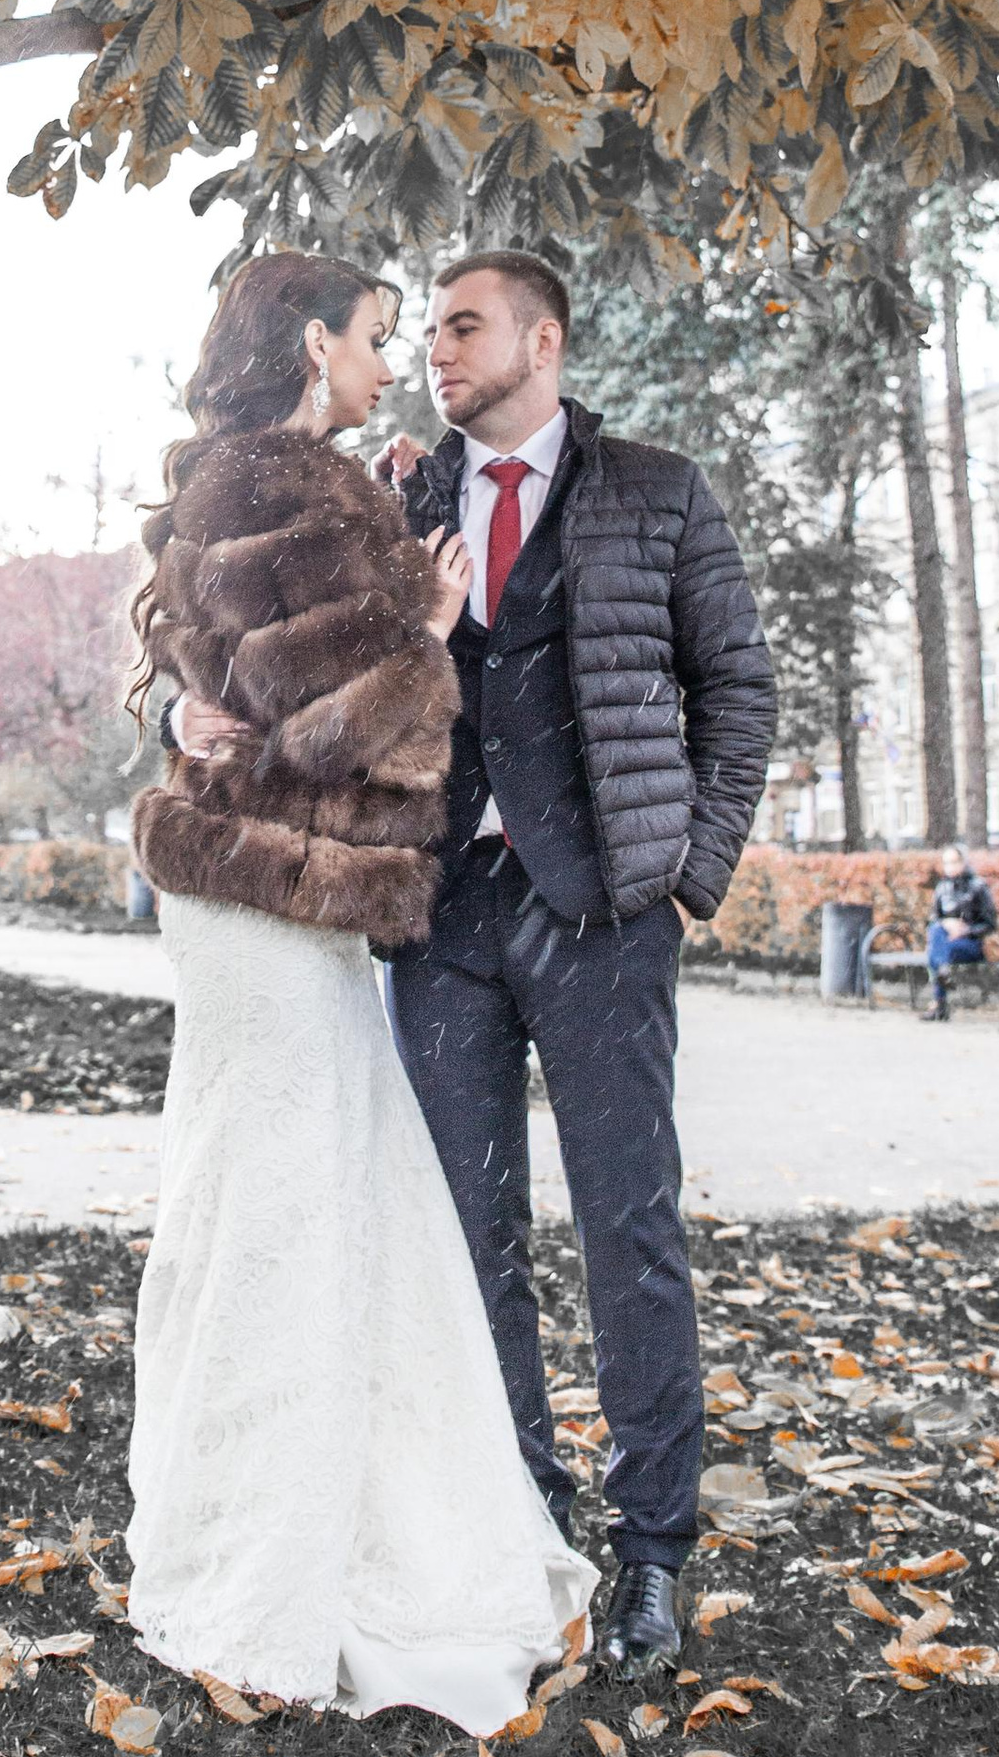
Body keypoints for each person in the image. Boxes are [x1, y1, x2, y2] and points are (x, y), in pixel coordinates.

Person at [184, 250, 777, 1670]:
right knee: (466, 1241)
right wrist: (184, 733)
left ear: (544, 339)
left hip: (603, 918)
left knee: (632, 1234)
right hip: (441, 919)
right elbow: (271, 657)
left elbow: (738, 685)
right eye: (423, 331)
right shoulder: (395, 495)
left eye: (463, 326)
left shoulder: (657, 491)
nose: (437, 352)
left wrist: (689, 871)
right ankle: (521, 1518)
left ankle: (651, 1555)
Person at [125, 249, 595, 1733]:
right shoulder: (285, 482)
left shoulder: (258, 473)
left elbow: (214, 677)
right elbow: (318, 722)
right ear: (310, 340)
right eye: (379, 337)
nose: (393, 362)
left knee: (291, 1203)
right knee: (291, 1211)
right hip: (274, 900)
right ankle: (273, 1581)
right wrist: (429, 636)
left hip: (264, 900)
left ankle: (270, 1540)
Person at [923, 849, 997, 1019]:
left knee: (938, 953)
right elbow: (933, 919)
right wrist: (946, 924)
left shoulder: (978, 886)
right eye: (946, 863)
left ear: (963, 862)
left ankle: (939, 1004)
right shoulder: (942, 887)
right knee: (936, 934)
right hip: (945, 944)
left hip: (970, 944)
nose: (950, 867)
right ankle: (944, 974)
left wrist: (966, 930)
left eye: (954, 862)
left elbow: (990, 924)